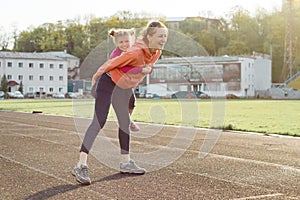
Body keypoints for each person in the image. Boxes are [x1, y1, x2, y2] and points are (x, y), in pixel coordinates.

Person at [72, 20, 168, 185]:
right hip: (108, 82)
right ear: (150, 36)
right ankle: (81, 164)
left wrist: (133, 84)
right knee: (99, 121)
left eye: (165, 36)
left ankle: (126, 162)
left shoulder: (156, 52)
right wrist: (95, 80)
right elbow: (110, 64)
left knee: (124, 122)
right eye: (160, 36)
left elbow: (142, 71)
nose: (164, 39)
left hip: (123, 87)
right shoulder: (135, 52)